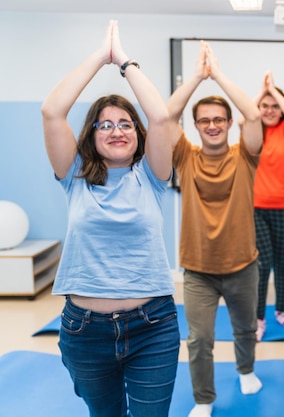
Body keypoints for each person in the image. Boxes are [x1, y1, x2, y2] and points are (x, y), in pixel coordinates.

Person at [41, 20, 180, 417]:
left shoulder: (152, 175)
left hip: (152, 327)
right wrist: (99, 56)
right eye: (106, 124)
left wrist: (124, 62)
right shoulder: (75, 175)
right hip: (85, 332)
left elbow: (163, 119)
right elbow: (52, 110)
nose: (116, 130)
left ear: (137, 133)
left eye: (125, 124)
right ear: (92, 134)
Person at [168, 41, 264, 417]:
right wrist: (196, 76)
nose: (212, 125)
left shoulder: (245, 156)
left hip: (243, 265)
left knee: (244, 330)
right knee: (200, 339)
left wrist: (218, 75)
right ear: (196, 126)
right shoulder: (185, 157)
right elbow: (164, 116)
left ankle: (246, 370)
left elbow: (253, 115)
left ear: (227, 124)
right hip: (198, 270)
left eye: (218, 119)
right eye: (204, 120)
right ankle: (204, 398)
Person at [250, 71, 284, 342]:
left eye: (274, 106)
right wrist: (262, 90)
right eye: (264, 106)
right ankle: (258, 319)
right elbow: (248, 113)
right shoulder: (253, 131)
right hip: (256, 207)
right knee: (262, 264)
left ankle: (280, 311)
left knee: (281, 263)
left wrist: (275, 94)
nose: (269, 110)